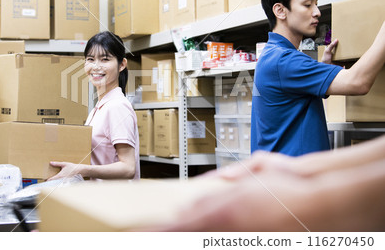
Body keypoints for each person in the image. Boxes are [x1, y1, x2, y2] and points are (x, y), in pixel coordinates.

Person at [251, 0, 385, 156]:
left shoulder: (272, 55)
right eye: (307, 5)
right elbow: (358, 83)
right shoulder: (284, 60)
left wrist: (322, 70)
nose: (317, 12)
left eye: (316, 3)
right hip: (293, 181)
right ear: (280, 11)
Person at [146, 134, 385, 231]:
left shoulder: (280, 59)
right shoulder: (286, 60)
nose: (316, 21)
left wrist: (303, 175)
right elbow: (358, 81)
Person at [49, 31, 140, 180]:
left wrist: (81, 170)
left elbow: (128, 167)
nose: (96, 66)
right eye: (90, 59)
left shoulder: (117, 107)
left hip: (115, 200)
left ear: (121, 64)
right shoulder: (100, 107)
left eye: (105, 59)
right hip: (98, 197)